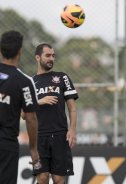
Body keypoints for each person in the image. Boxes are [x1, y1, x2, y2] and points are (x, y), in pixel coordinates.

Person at [32, 43, 78, 184]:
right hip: (39, 136)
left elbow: (72, 108)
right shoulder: (30, 83)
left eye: (53, 55)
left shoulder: (62, 77)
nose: (51, 58)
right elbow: (23, 114)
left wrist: (72, 130)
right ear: (38, 57)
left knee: (58, 179)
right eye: (47, 55)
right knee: (42, 177)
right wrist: (39, 101)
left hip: (60, 134)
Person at [0, 30, 40, 184]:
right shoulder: (24, 81)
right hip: (6, 144)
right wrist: (33, 149)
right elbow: (30, 118)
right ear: (20, 51)